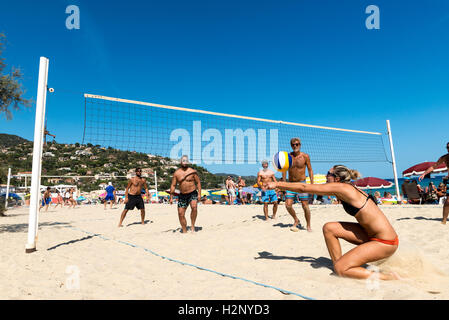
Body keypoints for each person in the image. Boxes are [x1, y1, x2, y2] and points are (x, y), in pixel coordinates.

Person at [265, 165, 400, 281]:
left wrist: (277, 184)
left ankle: (389, 278)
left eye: (328, 174)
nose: (325, 175)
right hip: (372, 235)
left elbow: (303, 187)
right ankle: (340, 265)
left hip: (385, 242)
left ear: (336, 179)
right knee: (330, 228)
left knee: (341, 269)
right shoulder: (346, 188)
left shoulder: (342, 188)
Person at [282, 137, 314, 232]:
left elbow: (310, 170)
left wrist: (312, 184)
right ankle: (296, 220)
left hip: (302, 183)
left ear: (300, 145)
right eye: (293, 144)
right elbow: (284, 170)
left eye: (297, 144)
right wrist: (284, 183)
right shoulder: (288, 156)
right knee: (288, 205)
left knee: (305, 206)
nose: (295, 146)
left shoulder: (305, 156)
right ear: (291, 145)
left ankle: (308, 225)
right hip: (291, 183)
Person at [170, 155, 201, 233]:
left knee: (194, 207)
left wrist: (199, 194)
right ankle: (184, 231)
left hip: (192, 193)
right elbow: (173, 185)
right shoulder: (176, 173)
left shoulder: (192, 171)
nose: (184, 162)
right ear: (180, 162)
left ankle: (192, 226)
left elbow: (198, 182)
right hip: (182, 195)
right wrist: (171, 197)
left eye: (186, 160)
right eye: (183, 160)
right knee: (180, 213)